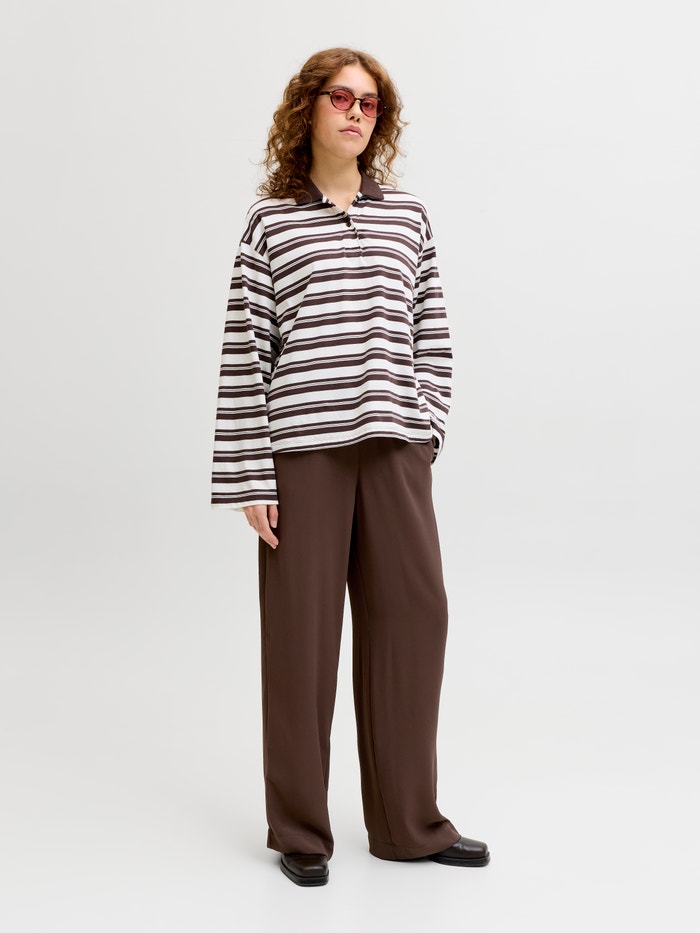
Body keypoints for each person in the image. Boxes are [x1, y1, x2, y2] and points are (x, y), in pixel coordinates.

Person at [211, 47, 490, 887]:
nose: (356, 113)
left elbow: (431, 328)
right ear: (308, 109)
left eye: (370, 103)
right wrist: (251, 476)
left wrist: (427, 427)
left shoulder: (408, 217)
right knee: (301, 642)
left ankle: (409, 824)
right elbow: (245, 352)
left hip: (395, 449)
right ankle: (300, 829)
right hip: (303, 456)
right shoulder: (270, 224)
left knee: (415, 623)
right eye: (340, 97)